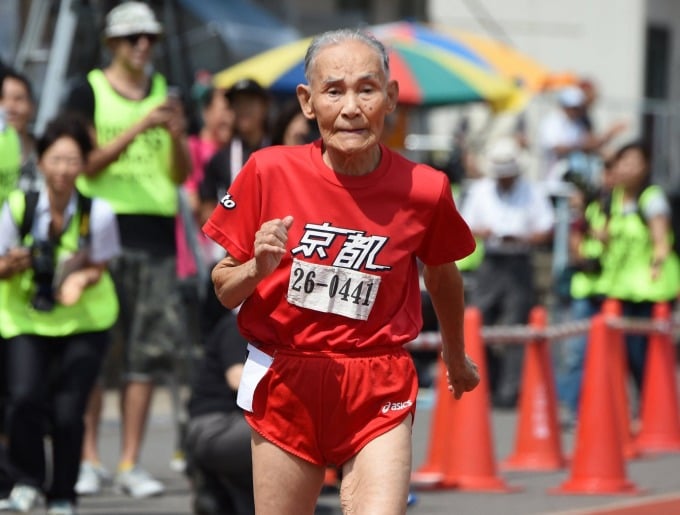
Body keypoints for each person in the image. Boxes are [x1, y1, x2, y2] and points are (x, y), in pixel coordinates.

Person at [202, 28, 480, 515]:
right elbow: (224, 289)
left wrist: (456, 357)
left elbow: (443, 277)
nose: (351, 107)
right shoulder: (268, 171)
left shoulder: (424, 188)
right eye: (334, 91)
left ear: (389, 97)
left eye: (366, 89)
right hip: (285, 377)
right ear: (308, 103)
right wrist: (256, 267)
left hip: (378, 382)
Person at [62, 0, 191, 499]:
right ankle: (88, 457)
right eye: (135, 37)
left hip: (156, 236)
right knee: (96, 351)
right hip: (101, 236)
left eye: (151, 37)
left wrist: (176, 136)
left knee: (146, 354)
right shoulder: (87, 89)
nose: (144, 46)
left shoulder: (168, 93)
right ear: (112, 43)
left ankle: (131, 461)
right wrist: (142, 124)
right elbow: (87, 164)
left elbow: (178, 174)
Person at [0, 112, 120, 515]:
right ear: (40, 162)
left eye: (72, 160)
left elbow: (100, 263)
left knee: (70, 411)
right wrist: (15, 263)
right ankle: (27, 480)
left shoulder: (96, 211)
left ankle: (63, 492)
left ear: (83, 164)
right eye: (56, 159)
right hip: (25, 318)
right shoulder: (19, 206)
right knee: (23, 398)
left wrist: (80, 279)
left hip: (83, 321)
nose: (64, 169)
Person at [460, 137, 554, 408]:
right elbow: (467, 223)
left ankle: (510, 389)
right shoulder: (480, 190)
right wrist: (487, 232)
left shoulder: (532, 190)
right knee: (478, 320)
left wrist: (524, 237)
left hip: (519, 260)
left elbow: (545, 228)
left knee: (516, 327)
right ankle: (483, 381)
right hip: (491, 260)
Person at [598, 141, 679, 398]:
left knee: (645, 356)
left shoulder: (651, 197)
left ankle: (653, 408)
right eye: (623, 161)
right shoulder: (613, 200)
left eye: (634, 162)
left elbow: (661, 240)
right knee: (622, 357)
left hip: (651, 291)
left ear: (646, 167)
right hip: (621, 289)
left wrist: (657, 263)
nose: (627, 168)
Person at [184, 313, 254, 515]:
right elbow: (237, 379)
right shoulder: (238, 325)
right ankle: (212, 483)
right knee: (291, 434)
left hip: (234, 424)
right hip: (216, 427)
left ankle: (225, 494)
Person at [198, 78, 271, 225]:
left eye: (250, 102)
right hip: (234, 243)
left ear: (264, 106)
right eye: (238, 104)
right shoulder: (219, 159)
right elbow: (206, 210)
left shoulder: (279, 149)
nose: (244, 109)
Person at [0, 70, 39, 194]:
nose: (9, 107)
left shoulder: (44, 150)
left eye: (18, 99)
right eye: (2, 98)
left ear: (32, 106)